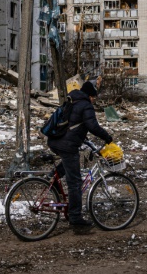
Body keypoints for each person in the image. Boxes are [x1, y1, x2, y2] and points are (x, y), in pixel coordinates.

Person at [47, 80, 113, 227]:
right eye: (93, 97)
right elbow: (92, 126)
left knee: (69, 162)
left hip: (55, 141)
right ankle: (75, 217)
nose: (94, 100)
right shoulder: (86, 105)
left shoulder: (72, 101)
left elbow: (74, 124)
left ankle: (54, 178)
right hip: (66, 145)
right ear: (89, 95)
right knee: (75, 182)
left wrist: (83, 137)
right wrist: (107, 137)